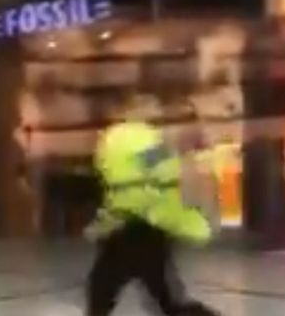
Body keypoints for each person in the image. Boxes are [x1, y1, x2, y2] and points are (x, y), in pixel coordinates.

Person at [85, 121, 219, 316]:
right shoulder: (122, 162)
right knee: (166, 301)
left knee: (102, 295)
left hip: (136, 231)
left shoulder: (131, 156)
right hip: (136, 233)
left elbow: (147, 164)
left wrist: (179, 144)